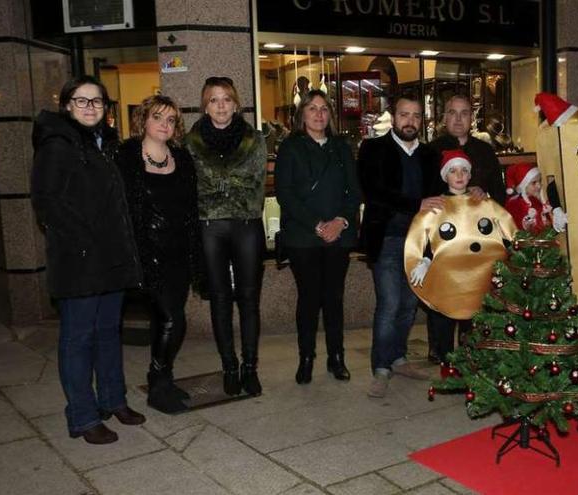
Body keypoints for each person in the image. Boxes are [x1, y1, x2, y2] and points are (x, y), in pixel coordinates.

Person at [31, 75, 145, 444]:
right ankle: (81, 417)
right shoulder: (58, 143)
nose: (90, 107)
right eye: (82, 101)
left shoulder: (105, 144)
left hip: (110, 259)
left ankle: (114, 400)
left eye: (97, 101)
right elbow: (47, 203)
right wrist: (83, 245)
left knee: (108, 334)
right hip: (79, 261)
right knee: (78, 339)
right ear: (67, 106)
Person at [185, 77, 267, 397]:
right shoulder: (191, 142)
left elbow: (256, 183)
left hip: (246, 223)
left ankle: (250, 367)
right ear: (205, 105)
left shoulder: (255, 139)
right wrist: (230, 182)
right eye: (214, 100)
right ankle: (229, 366)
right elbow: (193, 186)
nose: (221, 106)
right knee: (219, 298)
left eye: (226, 99)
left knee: (248, 297)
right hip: (209, 226)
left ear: (236, 103)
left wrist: (218, 183)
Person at [117, 95, 199, 413]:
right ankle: (156, 383)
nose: (165, 124)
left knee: (170, 320)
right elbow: (120, 210)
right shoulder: (126, 157)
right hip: (147, 254)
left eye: (170, 120)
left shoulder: (182, 157)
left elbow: (190, 208)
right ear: (143, 121)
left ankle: (164, 378)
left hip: (179, 251)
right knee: (169, 318)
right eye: (158, 117)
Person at [358, 94, 443, 398]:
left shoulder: (431, 155)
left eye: (416, 116)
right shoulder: (372, 149)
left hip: (420, 242)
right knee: (390, 304)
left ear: (423, 120)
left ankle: (398, 358)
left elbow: (439, 198)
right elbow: (374, 192)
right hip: (388, 240)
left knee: (409, 305)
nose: (410, 121)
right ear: (393, 117)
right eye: (404, 114)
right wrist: (416, 203)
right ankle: (380, 368)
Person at [275, 89, 362, 384]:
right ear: (303, 114)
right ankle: (306, 357)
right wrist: (317, 225)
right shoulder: (290, 147)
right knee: (309, 299)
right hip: (304, 236)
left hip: (338, 235)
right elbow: (285, 194)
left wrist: (340, 222)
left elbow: (354, 191)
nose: (319, 114)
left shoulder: (341, 147)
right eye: (312, 108)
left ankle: (337, 357)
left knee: (334, 298)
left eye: (324, 108)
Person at [428, 94, 507, 362]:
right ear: (444, 117)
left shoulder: (485, 151)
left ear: (471, 118)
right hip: (444, 240)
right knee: (443, 295)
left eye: (464, 113)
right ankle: (439, 349)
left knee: (473, 293)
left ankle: (470, 348)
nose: (459, 118)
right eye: (453, 112)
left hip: (477, 241)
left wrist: (483, 192)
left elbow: (500, 194)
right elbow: (423, 194)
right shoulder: (431, 150)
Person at [409, 149, 475, 363]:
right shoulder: (436, 205)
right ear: (445, 175)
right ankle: (447, 365)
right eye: (453, 170)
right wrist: (426, 260)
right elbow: (429, 236)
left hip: (471, 275)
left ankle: (467, 367)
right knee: (443, 322)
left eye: (464, 170)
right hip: (444, 274)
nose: (459, 175)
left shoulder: (478, 203)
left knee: (470, 323)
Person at [504, 162, 552, 233]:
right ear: (523, 185)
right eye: (534, 183)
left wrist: (548, 222)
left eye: (540, 181)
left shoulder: (536, 201)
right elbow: (512, 228)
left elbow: (546, 225)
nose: (539, 186)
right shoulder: (514, 204)